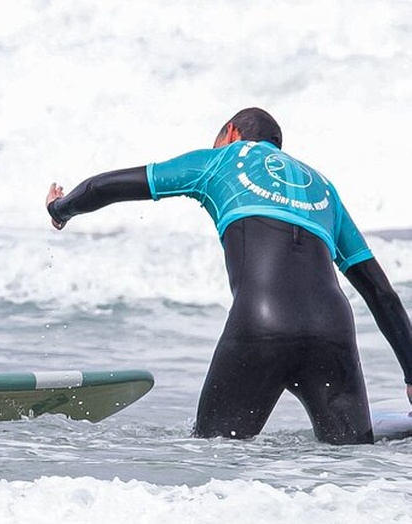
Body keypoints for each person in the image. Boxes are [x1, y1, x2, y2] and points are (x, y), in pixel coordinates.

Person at [45, 107, 412, 445]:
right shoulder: (323, 188)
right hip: (333, 333)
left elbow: (106, 187)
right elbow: (381, 294)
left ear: (232, 133)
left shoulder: (221, 160)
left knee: (212, 459)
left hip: (262, 325)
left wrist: (61, 209)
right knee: (352, 468)